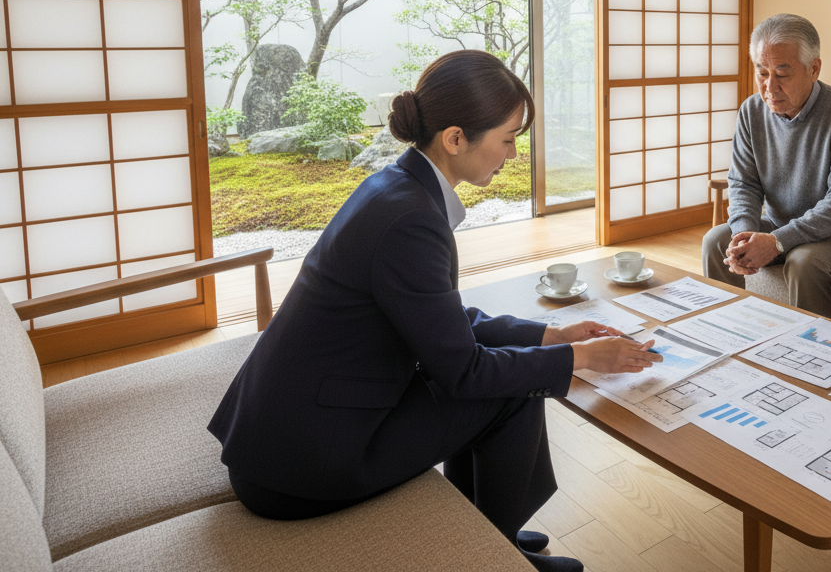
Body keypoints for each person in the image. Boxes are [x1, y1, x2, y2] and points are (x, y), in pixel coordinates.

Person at [209, 50, 659, 572]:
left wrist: (551, 336)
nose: (513, 154)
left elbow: (439, 322)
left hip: (289, 436)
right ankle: (495, 553)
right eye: (509, 137)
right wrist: (580, 357)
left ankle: (488, 531)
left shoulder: (396, 188)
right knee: (513, 389)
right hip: (304, 468)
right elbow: (463, 370)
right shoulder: (410, 221)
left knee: (515, 368)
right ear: (455, 138)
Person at [702, 13, 831, 317]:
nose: (770, 86)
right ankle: (726, 332)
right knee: (717, 241)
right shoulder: (752, 111)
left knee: (804, 261)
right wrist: (744, 234)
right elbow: (743, 182)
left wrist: (778, 241)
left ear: (814, 69)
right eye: (762, 72)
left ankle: (812, 356)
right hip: (780, 221)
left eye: (782, 73)